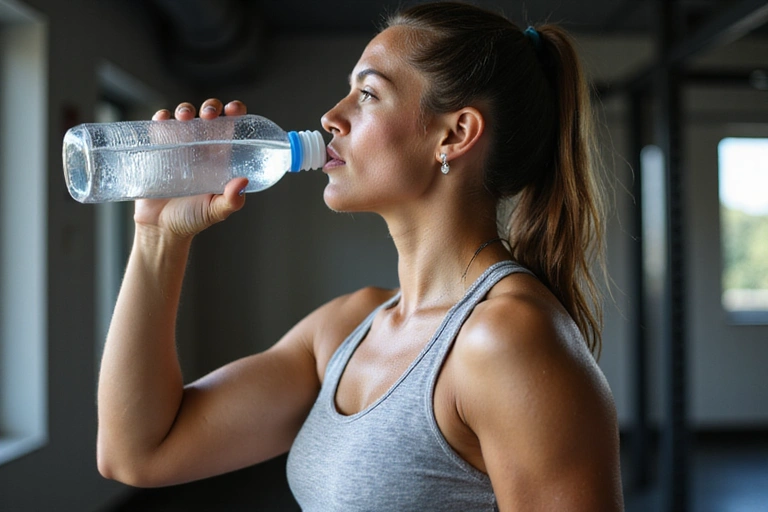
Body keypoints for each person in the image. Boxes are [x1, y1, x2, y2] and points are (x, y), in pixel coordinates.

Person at [97, 1, 624, 510]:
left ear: (455, 133)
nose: (330, 116)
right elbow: (138, 454)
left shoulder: (508, 340)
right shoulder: (346, 329)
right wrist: (159, 237)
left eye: (368, 94)